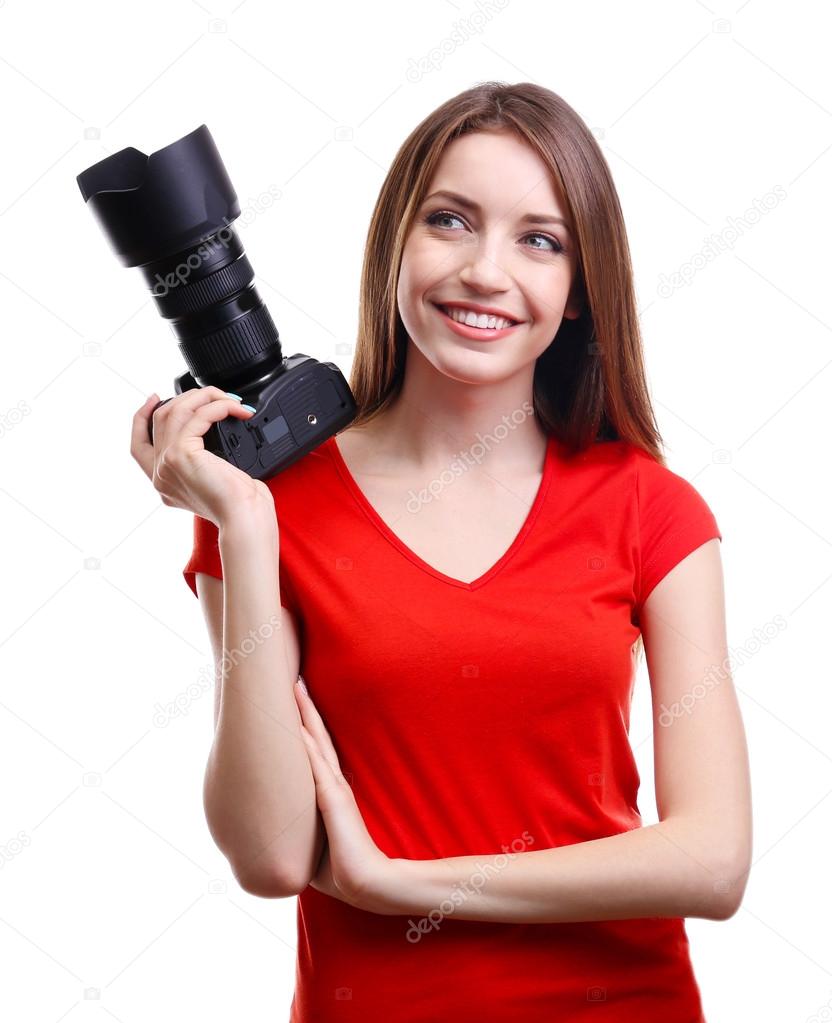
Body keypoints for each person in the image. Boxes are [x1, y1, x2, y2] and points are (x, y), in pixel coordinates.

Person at [131, 81, 752, 1022]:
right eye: (450, 222)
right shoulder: (263, 506)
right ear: (394, 245)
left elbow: (712, 860)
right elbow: (267, 854)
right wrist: (245, 532)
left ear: (581, 290)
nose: (485, 271)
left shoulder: (649, 510)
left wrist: (409, 885)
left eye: (538, 240)